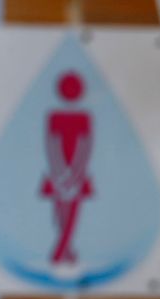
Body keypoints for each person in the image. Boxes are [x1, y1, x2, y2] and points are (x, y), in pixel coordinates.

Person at [39, 71, 93, 265]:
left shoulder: (84, 118)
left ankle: (61, 251)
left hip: (74, 173)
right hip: (59, 172)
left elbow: (85, 146)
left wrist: (74, 173)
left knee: (74, 211)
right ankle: (64, 250)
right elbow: (51, 144)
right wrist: (62, 173)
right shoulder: (54, 117)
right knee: (60, 212)